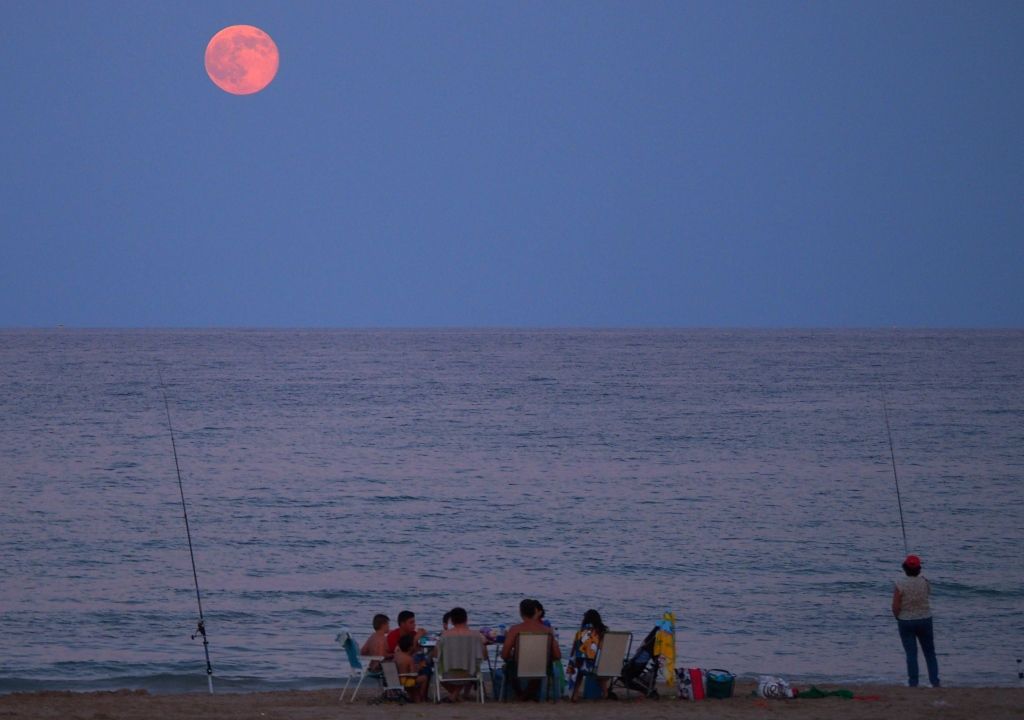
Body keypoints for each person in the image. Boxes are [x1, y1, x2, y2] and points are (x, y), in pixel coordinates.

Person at [892, 554, 941, 687]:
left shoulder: (899, 583)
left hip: (906, 621)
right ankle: (935, 681)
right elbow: (927, 594)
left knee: (911, 653)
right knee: (930, 653)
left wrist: (898, 617)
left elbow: (895, 605)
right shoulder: (925, 581)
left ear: (905, 568)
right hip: (925, 619)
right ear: (919, 568)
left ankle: (913, 683)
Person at [501, 599, 561, 700]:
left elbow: (504, 655)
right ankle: (526, 695)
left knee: (509, 666)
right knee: (542, 666)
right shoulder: (547, 631)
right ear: (535, 612)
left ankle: (521, 695)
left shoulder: (515, 630)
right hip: (541, 668)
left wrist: (512, 655)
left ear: (521, 612)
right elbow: (557, 656)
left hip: (518, 668)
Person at [437, 606, 487, 701]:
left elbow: (436, 655)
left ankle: (454, 695)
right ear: (466, 619)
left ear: (451, 621)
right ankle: (456, 695)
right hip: (470, 674)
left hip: (447, 674)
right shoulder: (476, 635)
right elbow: (485, 657)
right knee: (471, 665)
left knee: (437, 668)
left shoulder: (444, 635)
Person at [566, 608, 608, 700]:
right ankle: (605, 692)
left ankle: (575, 694)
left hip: (581, 665)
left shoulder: (580, 633)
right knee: (599, 670)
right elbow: (603, 648)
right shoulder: (602, 633)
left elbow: (574, 649)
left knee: (578, 666)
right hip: (598, 665)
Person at [394, 634, 430, 702]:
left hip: (396, 680)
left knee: (413, 683)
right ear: (410, 648)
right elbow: (413, 674)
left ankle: (413, 696)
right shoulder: (409, 659)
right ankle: (421, 697)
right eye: (414, 644)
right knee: (424, 678)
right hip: (406, 681)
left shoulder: (396, 655)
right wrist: (419, 666)